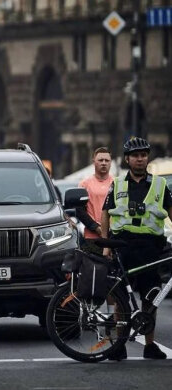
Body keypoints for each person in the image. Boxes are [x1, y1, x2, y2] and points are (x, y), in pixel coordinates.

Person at [101, 137, 172, 361]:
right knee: (121, 297)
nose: (140, 159)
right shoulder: (118, 184)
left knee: (150, 296)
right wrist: (105, 244)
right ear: (128, 159)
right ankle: (119, 345)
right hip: (123, 246)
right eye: (135, 155)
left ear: (147, 158)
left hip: (150, 247)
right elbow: (105, 212)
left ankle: (149, 346)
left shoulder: (160, 185)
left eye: (143, 155)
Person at [77, 147, 113, 255]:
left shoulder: (117, 183)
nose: (104, 163)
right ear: (94, 162)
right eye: (100, 160)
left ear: (111, 163)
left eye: (107, 160)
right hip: (92, 237)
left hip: (113, 237)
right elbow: (80, 211)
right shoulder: (84, 184)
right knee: (94, 269)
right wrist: (97, 228)